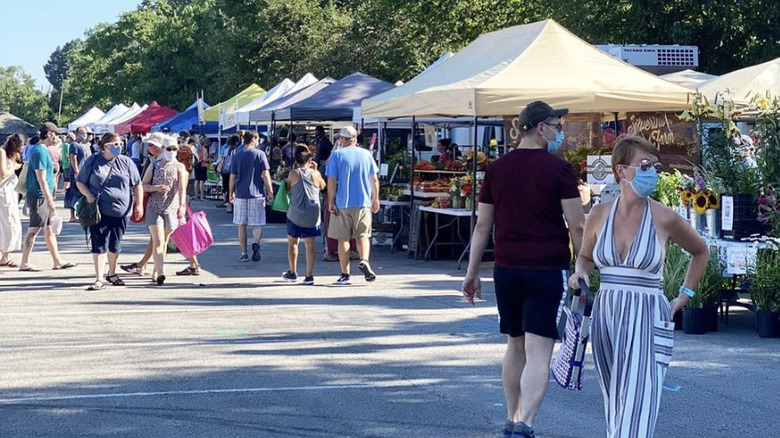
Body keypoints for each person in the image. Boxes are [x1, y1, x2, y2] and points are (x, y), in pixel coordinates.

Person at [568, 135, 708, 438]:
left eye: (655, 166)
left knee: (638, 406)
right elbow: (585, 257)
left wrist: (685, 295)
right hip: (607, 314)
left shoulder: (665, 217)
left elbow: (701, 251)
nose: (652, 172)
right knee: (616, 403)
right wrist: (579, 274)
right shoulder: (599, 214)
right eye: (644, 165)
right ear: (622, 171)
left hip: (648, 313)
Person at [461, 101, 585, 438]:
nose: (559, 132)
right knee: (539, 350)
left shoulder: (496, 169)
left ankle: (511, 415)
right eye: (557, 126)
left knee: (514, 344)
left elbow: (482, 226)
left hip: (506, 268)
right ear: (540, 127)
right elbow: (577, 226)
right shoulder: (559, 170)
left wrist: (472, 273)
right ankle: (526, 423)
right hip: (547, 268)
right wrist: (582, 267)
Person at [76, 133, 143, 290]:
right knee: (99, 243)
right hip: (99, 210)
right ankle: (99, 278)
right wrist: (88, 195)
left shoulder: (126, 162)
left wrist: (138, 204)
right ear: (105, 146)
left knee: (115, 243)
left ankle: (112, 273)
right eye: (115, 144)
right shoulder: (93, 161)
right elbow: (80, 182)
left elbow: (137, 184)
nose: (118, 147)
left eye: (120, 144)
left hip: (122, 211)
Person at [324, 126, 380, 285]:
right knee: (363, 235)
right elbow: (374, 179)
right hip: (363, 202)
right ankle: (365, 260)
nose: (338, 141)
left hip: (343, 203)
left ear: (344, 139)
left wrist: (331, 200)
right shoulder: (366, 154)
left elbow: (332, 180)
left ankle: (345, 274)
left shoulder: (336, 155)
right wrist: (375, 199)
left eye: (339, 138)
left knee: (343, 239)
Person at [19, 123, 76, 272]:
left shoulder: (43, 151)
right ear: (49, 134)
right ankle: (24, 262)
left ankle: (57, 260)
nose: (57, 137)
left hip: (43, 195)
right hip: (39, 196)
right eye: (55, 133)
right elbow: (41, 178)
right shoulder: (39, 152)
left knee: (49, 229)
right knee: (34, 229)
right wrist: (49, 199)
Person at [143, 135, 188, 285]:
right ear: (162, 149)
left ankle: (156, 269)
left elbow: (182, 188)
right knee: (159, 240)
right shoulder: (154, 165)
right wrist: (156, 188)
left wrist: (182, 206)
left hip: (171, 208)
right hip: (154, 207)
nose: (172, 151)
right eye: (169, 149)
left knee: (165, 240)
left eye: (175, 149)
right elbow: (142, 185)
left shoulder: (180, 167)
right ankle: (161, 272)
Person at [121, 132, 166, 276]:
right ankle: (146, 266)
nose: (149, 147)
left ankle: (147, 266)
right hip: (157, 204)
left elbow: (142, 184)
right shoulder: (153, 161)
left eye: (152, 145)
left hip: (168, 205)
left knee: (161, 239)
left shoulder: (160, 163)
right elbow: (143, 184)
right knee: (158, 239)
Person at [283, 145, 326, 284]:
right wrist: (316, 170)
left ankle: (293, 271)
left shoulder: (294, 174)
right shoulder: (315, 174)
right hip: (312, 214)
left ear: (296, 160)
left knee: (292, 243)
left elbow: (288, 186)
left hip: (295, 213)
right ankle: (309, 275)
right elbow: (323, 186)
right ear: (309, 160)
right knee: (310, 245)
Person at [229, 130, 273, 262]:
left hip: (241, 194)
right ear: (253, 139)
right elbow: (266, 175)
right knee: (257, 223)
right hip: (257, 194)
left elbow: (232, 176)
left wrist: (231, 192)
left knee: (241, 224)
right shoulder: (260, 154)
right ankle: (256, 243)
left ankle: (244, 252)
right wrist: (270, 191)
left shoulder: (237, 155)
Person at [0, 134, 24, 268]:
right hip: (3, 192)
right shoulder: (2, 152)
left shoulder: (13, 155)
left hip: (11, 191)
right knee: (7, 222)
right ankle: (5, 255)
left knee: (12, 221)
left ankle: (6, 254)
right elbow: (3, 173)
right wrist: (15, 167)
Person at [66, 127, 92, 223]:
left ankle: (81, 213)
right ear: (76, 134)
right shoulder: (74, 145)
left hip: (85, 173)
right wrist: (77, 171)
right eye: (82, 133)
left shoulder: (84, 145)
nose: (84, 135)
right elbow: (73, 158)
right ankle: (72, 216)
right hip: (76, 174)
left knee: (83, 194)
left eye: (85, 133)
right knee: (74, 194)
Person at [216, 135, 240, 214]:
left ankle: (227, 202)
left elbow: (222, 158)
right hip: (233, 170)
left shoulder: (226, 148)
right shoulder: (237, 149)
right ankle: (231, 204)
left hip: (225, 169)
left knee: (226, 186)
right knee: (233, 187)